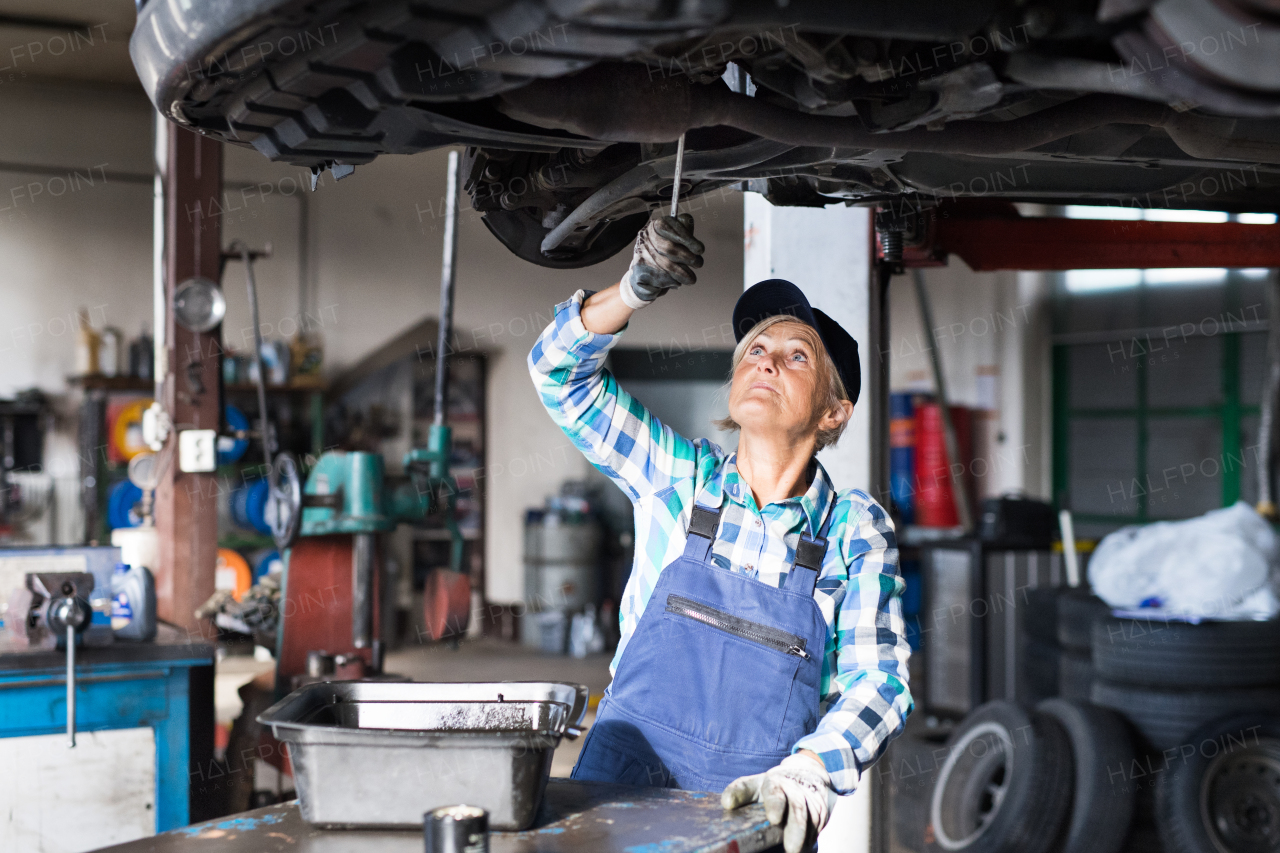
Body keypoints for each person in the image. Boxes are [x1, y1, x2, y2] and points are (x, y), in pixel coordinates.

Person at [529, 213, 913, 853]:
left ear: (833, 411)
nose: (765, 363)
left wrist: (807, 774)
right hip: (615, 798)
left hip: (755, 813)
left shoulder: (853, 529)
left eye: (796, 357)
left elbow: (880, 679)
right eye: (754, 352)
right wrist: (631, 292)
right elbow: (557, 376)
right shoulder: (678, 479)